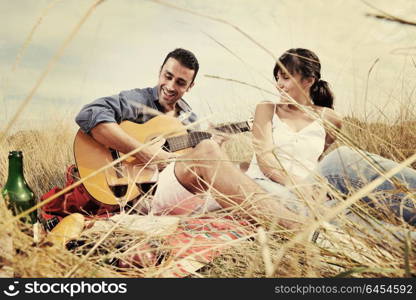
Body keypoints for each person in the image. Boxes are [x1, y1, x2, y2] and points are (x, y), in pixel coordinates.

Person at [75, 48, 304, 228]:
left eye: (181, 82)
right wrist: (146, 153)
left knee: (240, 166)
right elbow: (89, 114)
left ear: (190, 86)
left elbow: (190, 161)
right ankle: (300, 230)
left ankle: (298, 213)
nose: (171, 86)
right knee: (208, 151)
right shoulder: (137, 99)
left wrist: (214, 146)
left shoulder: (188, 117)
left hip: (167, 187)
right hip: (130, 193)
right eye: (168, 76)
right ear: (160, 72)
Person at [247, 48, 415, 226]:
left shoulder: (331, 119)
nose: (278, 84)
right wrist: (298, 186)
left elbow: (317, 161)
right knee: (340, 217)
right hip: (266, 185)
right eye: (277, 78)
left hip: (309, 190)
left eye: (286, 77)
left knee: (343, 162)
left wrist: (318, 188)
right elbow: (265, 160)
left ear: (309, 81)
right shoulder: (266, 108)